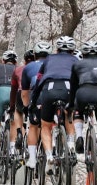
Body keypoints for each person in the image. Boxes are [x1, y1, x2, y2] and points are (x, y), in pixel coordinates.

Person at [31, 35, 80, 175]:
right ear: (72, 50)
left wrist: (33, 102)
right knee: (69, 114)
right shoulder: (76, 60)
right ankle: (70, 142)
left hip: (50, 89)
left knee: (45, 125)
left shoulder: (48, 60)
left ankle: (49, 156)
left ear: (57, 50)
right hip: (68, 89)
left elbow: (39, 81)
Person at [70, 40, 97, 185]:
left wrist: (72, 104)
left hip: (83, 93)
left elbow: (73, 87)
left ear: (83, 54)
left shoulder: (77, 65)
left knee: (77, 109)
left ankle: (79, 136)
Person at [22, 41, 52, 169]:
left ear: (35, 55)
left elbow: (24, 93)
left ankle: (33, 159)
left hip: (38, 98)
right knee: (50, 124)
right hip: (54, 95)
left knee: (33, 126)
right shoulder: (54, 64)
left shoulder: (28, 67)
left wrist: (26, 107)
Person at [10, 49, 36, 155]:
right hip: (34, 93)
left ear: (25, 61)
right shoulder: (40, 67)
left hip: (20, 93)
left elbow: (13, 89)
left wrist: (12, 105)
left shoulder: (18, 70)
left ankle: (19, 132)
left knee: (18, 111)